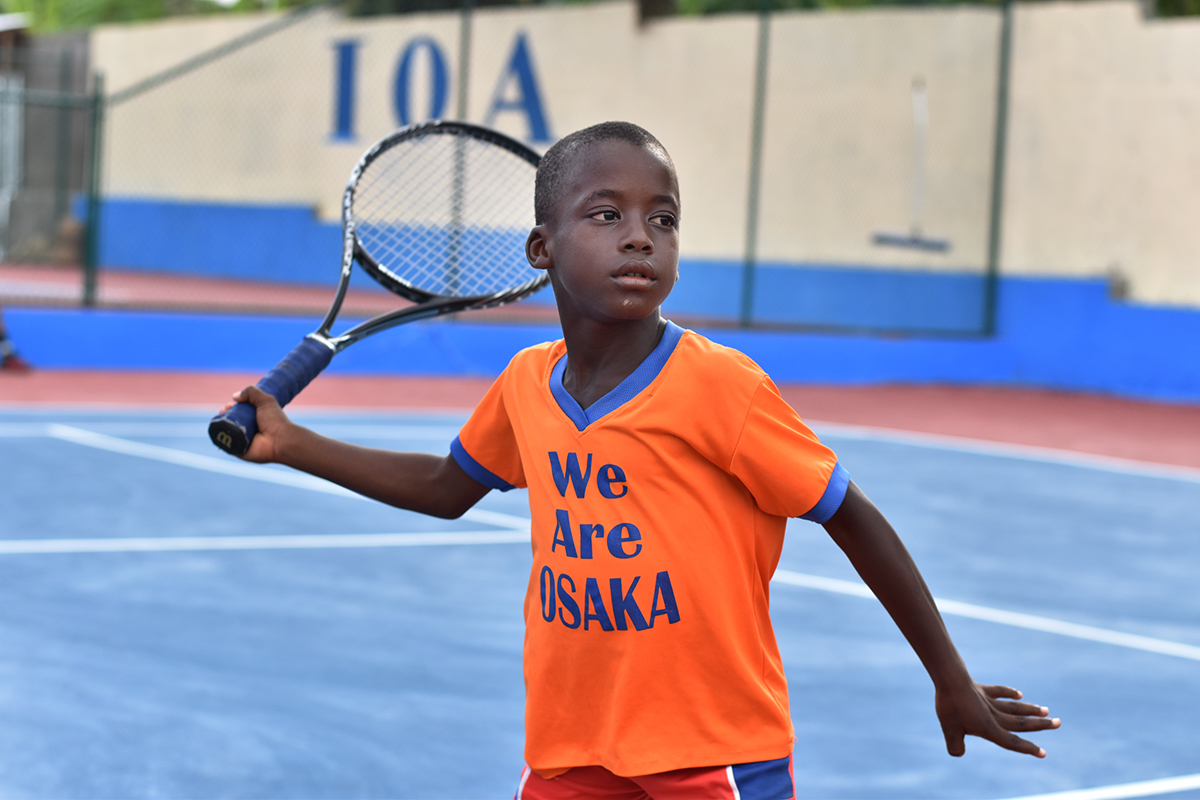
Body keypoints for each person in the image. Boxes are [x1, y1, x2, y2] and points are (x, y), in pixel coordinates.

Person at [228, 121, 1059, 799]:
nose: (640, 239)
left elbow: (853, 516)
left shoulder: (719, 386)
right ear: (540, 248)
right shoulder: (526, 384)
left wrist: (950, 679)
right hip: (570, 748)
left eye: (662, 220)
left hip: (713, 752)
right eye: (606, 216)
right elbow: (448, 488)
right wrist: (293, 444)